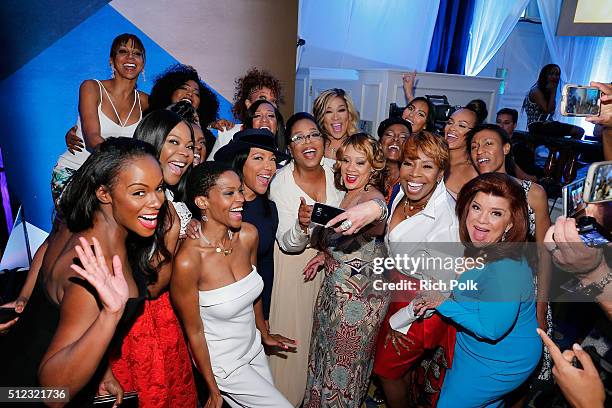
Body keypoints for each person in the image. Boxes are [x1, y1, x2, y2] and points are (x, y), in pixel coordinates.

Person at [0, 138, 168, 405]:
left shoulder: (73, 220)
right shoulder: (91, 271)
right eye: (139, 192)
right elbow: (52, 395)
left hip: (12, 372)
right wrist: (110, 316)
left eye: (159, 188)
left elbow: (45, 248)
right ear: (104, 194)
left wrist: (101, 368)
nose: (157, 201)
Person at [171, 162, 293, 408]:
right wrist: (212, 388)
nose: (241, 199)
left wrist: (263, 332)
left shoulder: (248, 235)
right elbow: (193, 332)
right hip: (223, 365)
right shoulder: (188, 261)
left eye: (239, 191)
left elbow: (252, 292)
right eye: (229, 193)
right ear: (202, 202)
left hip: (253, 350)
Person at [415, 173, 542, 407]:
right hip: (472, 345)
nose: (481, 220)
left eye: (496, 213)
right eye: (476, 207)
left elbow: (491, 329)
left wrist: (441, 302)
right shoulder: (483, 246)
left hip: (500, 360)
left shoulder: (506, 268)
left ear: (511, 223)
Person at [108, 110, 198, 408]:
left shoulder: (172, 201)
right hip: (134, 319)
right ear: (152, 140)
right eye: (174, 141)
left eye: (190, 146)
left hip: (164, 316)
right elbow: (154, 285)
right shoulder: (123, 191)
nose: (185, 154)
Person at [302, 133, 390, 407]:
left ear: (373, 167)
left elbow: (378, 218)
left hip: (358, 305)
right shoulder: (346, 194)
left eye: (360, 162)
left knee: (344, 373)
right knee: (323, 362)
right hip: (333, 295)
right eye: (346, 160)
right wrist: (325, 253)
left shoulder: (370, 196)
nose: (351, 168)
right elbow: (346, 239)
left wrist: (375, 210)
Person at [373, 131, 459, 407]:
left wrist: (402, 323)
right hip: (400, 293)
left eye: (427, 166)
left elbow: (441, 290)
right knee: (402, 371)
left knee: (386, 372)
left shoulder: (446, 219)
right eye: (410, 162)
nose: (415, 174)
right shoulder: (402, 192)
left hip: (421, 309)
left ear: (440, 172)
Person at [266, 112, 344, 405]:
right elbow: (288, 244)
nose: (307, 142)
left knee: (325, 345)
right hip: (295, 268)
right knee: (293, 350)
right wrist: (302, 227)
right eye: (298, 138)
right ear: (289, 148)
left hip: (334, 263)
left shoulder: (338, 171)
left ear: (323, 140)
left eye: (313, 134)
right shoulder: (281, 185)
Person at [54, 33, 148, 204]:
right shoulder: (91, 87)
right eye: (123, 51)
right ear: (111, 60)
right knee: (75, 229)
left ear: (143, 64)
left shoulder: (146, 102)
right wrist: (129, 161)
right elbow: (92, 139)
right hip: (75, 173)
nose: (130, 57)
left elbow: (171, 123)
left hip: (113, 182)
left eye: (137, 53)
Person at [213, 128, 290, 322]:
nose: (269, 167)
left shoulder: (270, 209)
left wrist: (263, 316)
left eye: (272, 159)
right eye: (258, 158)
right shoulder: (217, 204)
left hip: (251, 313)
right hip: (217, 311)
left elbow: (266, 267)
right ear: (240, 162)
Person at [208, 67, 284, 158]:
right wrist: (210, 125)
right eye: (262, 98)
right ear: (248, 104)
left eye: (273, 101)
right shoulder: (228, 133)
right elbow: (209, 169)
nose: (268, 104)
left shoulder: (284, 136)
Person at [522, 64, 584, 139]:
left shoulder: (545, 91)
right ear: (545, 75)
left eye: (557, 74)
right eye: (551, 74)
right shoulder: (536, 91)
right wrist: (553, 91)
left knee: (578, 132)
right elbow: (547, 110)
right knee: (579, 131)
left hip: (546, 126)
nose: (555, 77)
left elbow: (551, 110)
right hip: (538, 126)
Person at [312, 88, 359, 162]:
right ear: (321, 117)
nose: (336, 117)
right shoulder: (313, 146)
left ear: (349, 113)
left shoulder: (361, 146)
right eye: (328, 111)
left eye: (341, 110)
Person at [444, 107, 480, 198]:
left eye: (462, 125)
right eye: (450, 122)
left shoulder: (474, 172)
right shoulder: (431, 159)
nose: (452, 128)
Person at [496, 108, 540, 181]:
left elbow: (530, 178)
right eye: (498, 122)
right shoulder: (491, 141)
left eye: (506, 123)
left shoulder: (521, 149)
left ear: (514, 125)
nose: (501, 126)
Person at [377, 117, 412, 203]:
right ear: (380, 142)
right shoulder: (368, 175)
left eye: (403, 137)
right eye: (389, 135)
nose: (395, 139)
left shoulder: (412, 180)